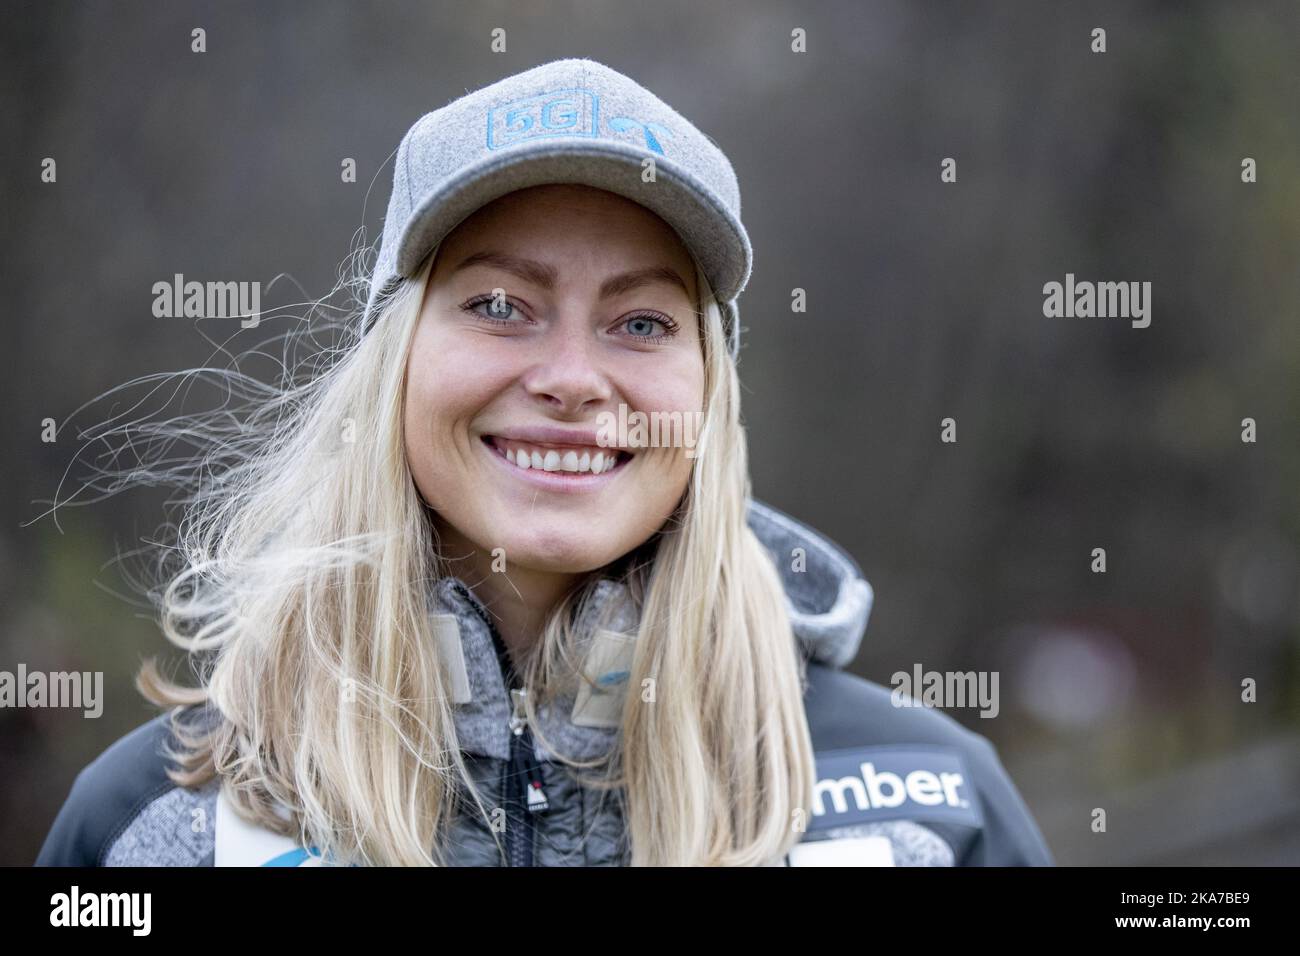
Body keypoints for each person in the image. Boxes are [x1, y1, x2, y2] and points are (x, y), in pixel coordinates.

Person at [35, 58, 1053, 867]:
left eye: (642, 322)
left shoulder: (930, 812)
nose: (572, 379)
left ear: (709, 390)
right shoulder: (161, 818)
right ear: (393, 362)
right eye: (498, 305)